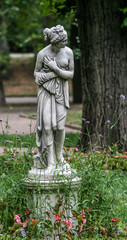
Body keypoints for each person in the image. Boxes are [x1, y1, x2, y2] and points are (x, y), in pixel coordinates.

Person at [33, 25, 74, 173]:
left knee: (60, 127)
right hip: (46, 93)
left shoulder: (68, 52)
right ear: (55, 43)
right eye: (63, 41)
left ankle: (59, 157)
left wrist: (55, 69)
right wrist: (51, 75)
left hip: (61, 92)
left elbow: (71, 74)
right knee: (48, 127)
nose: (66, 43)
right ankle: (50, 163)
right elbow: (36, 75)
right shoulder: (42, 54)